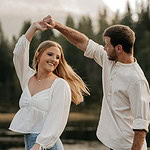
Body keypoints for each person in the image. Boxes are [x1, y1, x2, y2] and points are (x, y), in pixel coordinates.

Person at [42, 15, 150, 150]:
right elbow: (83, 42)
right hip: (112, 145)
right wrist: (57, 25)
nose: (104, 48)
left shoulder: (137, 80)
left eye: (107, 45)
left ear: (119, 48)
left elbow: (141, 127)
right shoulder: (109, 61)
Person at [9, 19, 89, 150]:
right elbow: (18, 54)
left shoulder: (60, 85)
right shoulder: (27, 77)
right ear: (38, 55)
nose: (54, 60)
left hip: (46, 145)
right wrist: (33, 28)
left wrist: (38, 145)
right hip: (30, 140)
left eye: (58, 57)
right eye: (50, 54)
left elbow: (56, 120)